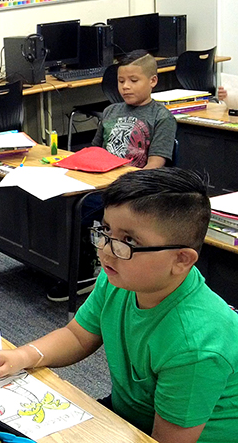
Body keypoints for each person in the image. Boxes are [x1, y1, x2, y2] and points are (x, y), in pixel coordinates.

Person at [0, 168, 238, 443]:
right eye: (105, 230)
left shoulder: (196, 345)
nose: (106, 250)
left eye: (129, 240)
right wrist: (24, 356)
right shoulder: (119, 278)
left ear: (181, 260)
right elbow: (78, 336)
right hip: (132, 417)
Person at [47, 50, 177, 301]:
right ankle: (59, 264)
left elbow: (155, 166)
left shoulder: (161, 117)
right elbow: (94, 152)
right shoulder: (111, 111)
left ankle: (81, 273)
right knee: (56, 199)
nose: (125, 87)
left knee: (78, 209)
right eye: (121, 81)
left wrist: (119, 185)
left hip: (132, 191)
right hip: (101, 183)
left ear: (153, 81)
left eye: (133, 81)